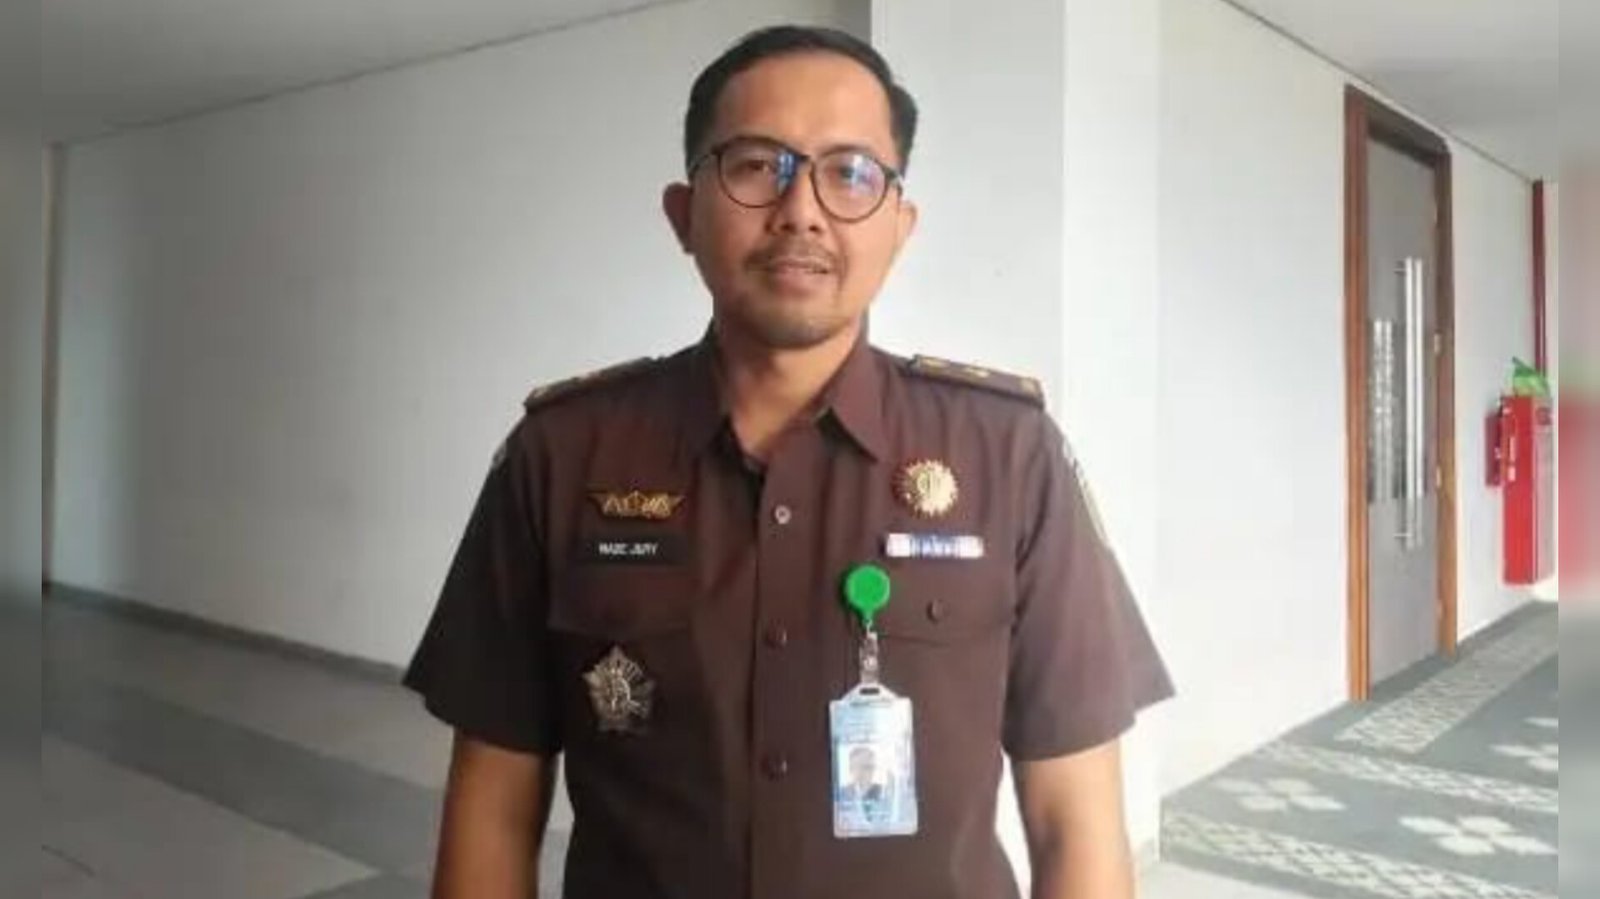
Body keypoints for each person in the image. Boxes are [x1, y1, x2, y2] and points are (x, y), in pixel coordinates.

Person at [403, 23, 1173, 899]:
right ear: (683, 214)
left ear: (899, 226)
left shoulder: (1008, 455)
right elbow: (494, 805)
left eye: (850, 173)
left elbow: (1076, 820)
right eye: (755, 164)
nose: (801, 208)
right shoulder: (562, 454)